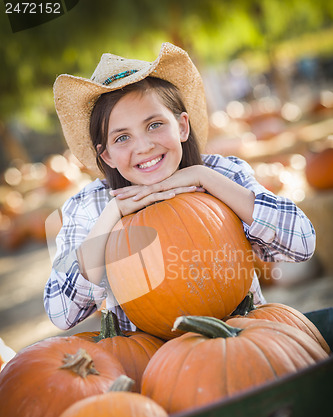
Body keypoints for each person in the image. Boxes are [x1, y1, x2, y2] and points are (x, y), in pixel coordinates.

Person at [44, 42, 315, 331]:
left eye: (154, 125)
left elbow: (302, 244)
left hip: (245, 337)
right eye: (122, 138)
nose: (144, 146)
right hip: (157, 364)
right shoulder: (90, 206)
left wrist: (204, 178)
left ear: (182, 126)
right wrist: (113, 213)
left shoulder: (221, 173)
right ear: (106, 154)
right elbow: (62, 314)